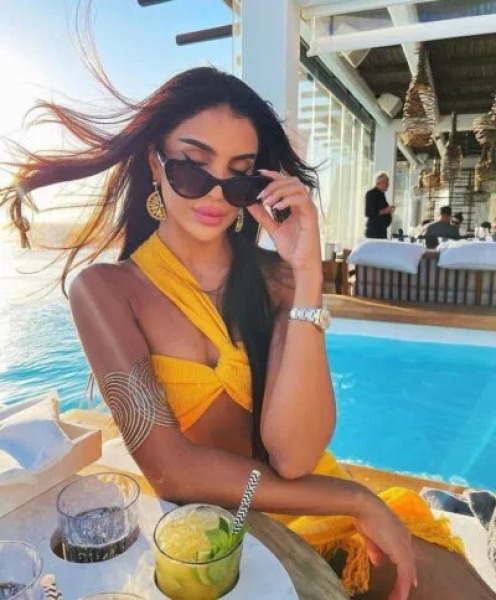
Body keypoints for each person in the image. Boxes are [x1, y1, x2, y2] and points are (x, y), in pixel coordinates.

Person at [2, 67, 495, 600]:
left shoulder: (278, 279)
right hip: (222, 532)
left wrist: (307, 276)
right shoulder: (106, 291)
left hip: (317, 500)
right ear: (155, 161)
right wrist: (356, 499)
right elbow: (172, 472)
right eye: (193, 168)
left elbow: (295, 458)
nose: (216, 192)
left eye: (238, 176)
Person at [365, 172, 395, 239]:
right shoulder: (371, 194)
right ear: (381, 182)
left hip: (382, 231)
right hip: (374, 232)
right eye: (387, 183)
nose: (388, 185)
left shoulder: (382, 195)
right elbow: (369, 212)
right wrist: (386, 210)